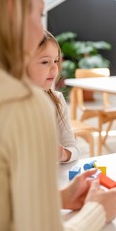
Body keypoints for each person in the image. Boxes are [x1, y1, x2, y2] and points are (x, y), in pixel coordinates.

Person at [0, 0, 116, 231]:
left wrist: (58, 197)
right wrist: (98, 210)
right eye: (39, 13)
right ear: (14, 11)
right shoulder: (20, 102)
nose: (39, 31)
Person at [27, 30, 78, 163]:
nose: (55, 68)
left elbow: (72, 147)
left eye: (56, 61)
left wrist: (63, 154)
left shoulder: (57, 100)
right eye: (45, 62)